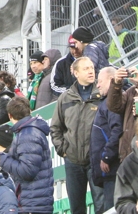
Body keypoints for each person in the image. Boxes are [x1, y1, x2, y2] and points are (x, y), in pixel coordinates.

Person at [50, 56, 102, 214]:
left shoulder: (102, 93)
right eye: (86, 68)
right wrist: (63, 150)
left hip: (96, 160)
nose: (90, 71)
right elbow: (55, 127)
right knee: (76, 208)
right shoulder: (65, 98)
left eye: (92, 68)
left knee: (102, 206)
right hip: (73, 161)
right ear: (76, 73)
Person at [0, 97, 53, 214]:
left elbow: (27, 171)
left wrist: (1, 159)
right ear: (29, 111)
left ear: (9, 115)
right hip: (33, 202)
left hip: (33, 204)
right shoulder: (27, 132)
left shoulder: (27, 134)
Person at [88, 67, 122, 213]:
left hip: (112, 169)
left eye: (100, 81)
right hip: (106, 172)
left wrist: (107, 156)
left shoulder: (111, 103)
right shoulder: (105, 103)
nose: (98, 85)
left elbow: (117, 130)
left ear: (111, 79)